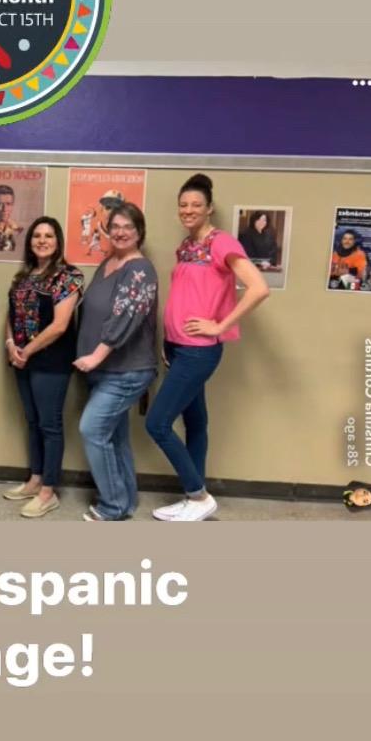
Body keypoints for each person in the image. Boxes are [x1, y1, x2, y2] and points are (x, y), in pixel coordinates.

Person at [147, 173, 270, 522]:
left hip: (199, 350)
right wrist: (168, 341)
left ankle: (198, 495)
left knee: (157, 424)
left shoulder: (222, 243)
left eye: (196, 205)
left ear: (209, 208)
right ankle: (194, 497)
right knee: (196, 421)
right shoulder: (185, 246)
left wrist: (219, 325)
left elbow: (259, 288)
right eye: (183, 205)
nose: (188, 210)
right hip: (177, 347)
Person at [73, 203, 158, 522]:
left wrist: (96, 354)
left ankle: (113, 507)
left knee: (92, 429)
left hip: (126, 370)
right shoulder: (108, 262)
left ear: (139, 232)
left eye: (129, 227)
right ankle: (126, 500)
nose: (121, 232)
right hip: (102, 370)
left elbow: (127, 316)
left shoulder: (140, 269)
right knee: (114, 435)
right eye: (116, 226)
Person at [4, 217, 84, 518]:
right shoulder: (22, 277)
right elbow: (11, 317)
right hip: (22, 360)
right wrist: (12, 345)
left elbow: (60, 325)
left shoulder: (68, 276)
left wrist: (26, 350)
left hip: (51, 362)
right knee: (33, 422)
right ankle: (35, 479)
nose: (42, 240)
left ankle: (49, 490)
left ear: (58, 240)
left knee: (50, 425)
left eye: (48, 235)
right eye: (36, 235)